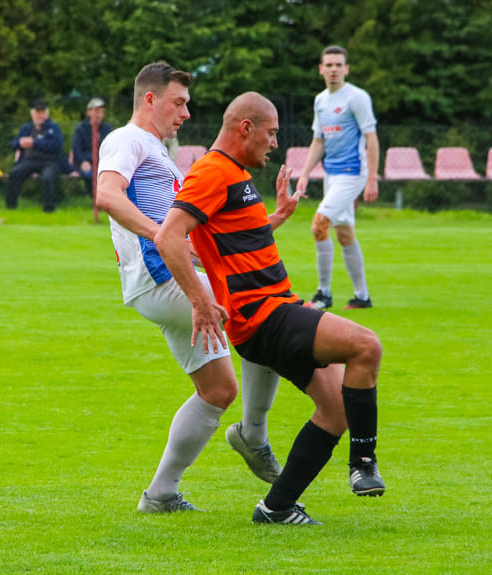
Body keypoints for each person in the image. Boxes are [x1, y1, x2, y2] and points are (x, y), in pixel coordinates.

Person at [155, 91, 386, 526]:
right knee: (365, 346)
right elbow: (168, 236)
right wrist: (203, 302)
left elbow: (233, 242)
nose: (275, 142)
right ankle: (363, 462)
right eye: (272, 132)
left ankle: (276, 508)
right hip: (260, 317)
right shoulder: (212, 172)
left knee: (336, 408)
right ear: (246, 128)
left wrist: (275, 217)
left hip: (277, 307)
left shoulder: (234, 174)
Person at [95, 62, 282, 514]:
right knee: (265, 316)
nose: (185, 112)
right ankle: (254, 434)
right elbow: (108, 195)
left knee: (218, 390)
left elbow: (189, 230)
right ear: (151, 99)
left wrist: (271, 221)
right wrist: (164, 238)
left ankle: (159, 496)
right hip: (162, 279)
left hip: (164, 279)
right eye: (179, 102)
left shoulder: (159, 151)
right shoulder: (126, 139)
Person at [295, 45, 380, 310]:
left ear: (346, 69)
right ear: (321, 69)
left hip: (353, 173)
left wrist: (372, 178)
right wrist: (305, 175)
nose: (333, 70)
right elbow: (318, 141)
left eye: (338, 65)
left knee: (318, 225)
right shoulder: (320, 101)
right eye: (328, 65)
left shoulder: (357, 97)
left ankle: (323, 294)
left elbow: (372, 138)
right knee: (344, 234)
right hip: (332, 176)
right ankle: (362, 297)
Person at [6, 99, 64, 212]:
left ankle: (48, 209)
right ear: (32, 114)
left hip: (49, 161)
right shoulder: (26, 128)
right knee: (14, 173)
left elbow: (57, 145)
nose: (40, 115)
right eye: (38, 112)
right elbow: (14, 144)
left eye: (42, 112)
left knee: (47, 177)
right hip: (30, 161)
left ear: (47, 114)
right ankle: (10, 207)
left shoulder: (54, 128)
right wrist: (20, 143)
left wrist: (34, 142)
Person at [71, 97, 113, 197]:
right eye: (96, 111)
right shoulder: (80, 129)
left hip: (103, 162)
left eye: (101, 112)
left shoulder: (107, 129)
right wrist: (83, 161)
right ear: (89, 112)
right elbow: (76, 149)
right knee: (88, 175)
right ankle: (96, 199)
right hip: (85, 162)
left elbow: (110, 148)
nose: (99, 114)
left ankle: (106, 199)